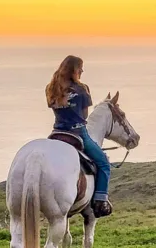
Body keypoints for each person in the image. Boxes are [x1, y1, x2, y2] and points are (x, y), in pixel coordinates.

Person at [45, 55, 114, 218]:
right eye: (80, 68)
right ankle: (100, 201)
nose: (82, 71)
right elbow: (84, 116)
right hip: (78, 133)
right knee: (104, 163)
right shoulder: (82, 89)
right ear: (74, 70)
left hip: (57, 133)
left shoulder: (51, 88)